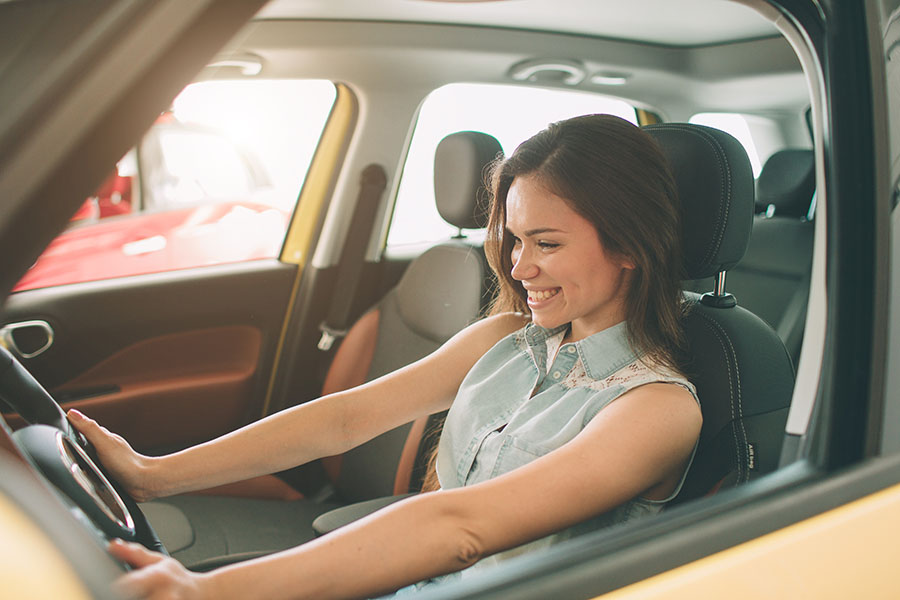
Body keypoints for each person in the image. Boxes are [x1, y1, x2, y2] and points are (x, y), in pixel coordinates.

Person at [69, 114, 703, 599]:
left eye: (547, 243)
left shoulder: (656, 409)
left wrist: (205, 591)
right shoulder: (505, 339)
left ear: (629, 246)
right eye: (514, 240)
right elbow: (344, 420)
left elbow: (460, 530)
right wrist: (154, 474)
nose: (518, 266)